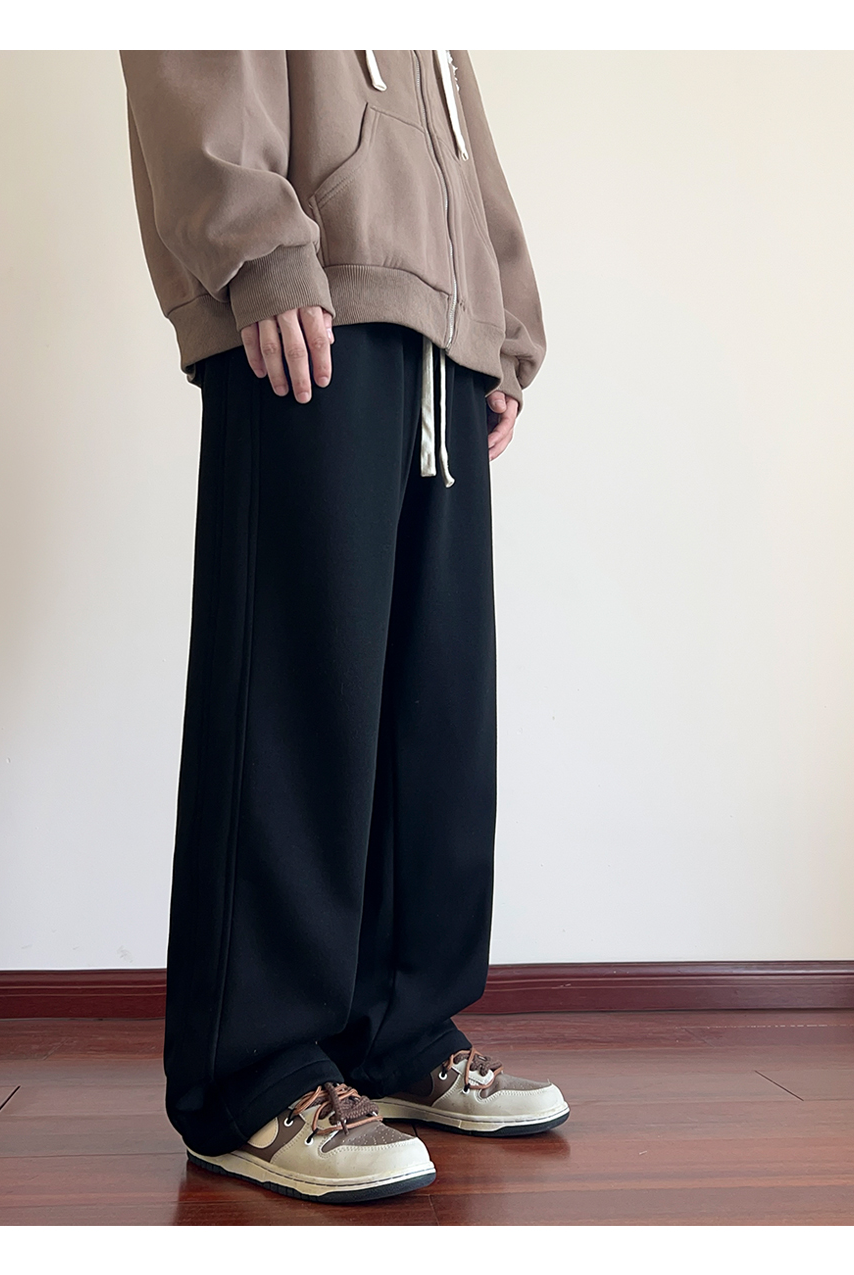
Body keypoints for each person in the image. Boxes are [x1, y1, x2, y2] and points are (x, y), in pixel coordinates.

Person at [120, 49, 568, 1205]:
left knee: (435, 708)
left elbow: (454, 116)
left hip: (442, 326)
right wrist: (256, 245)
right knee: (295, 697)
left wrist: (502, 321)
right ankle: (250, 1077)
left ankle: (399, 1032)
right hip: (309, 290)